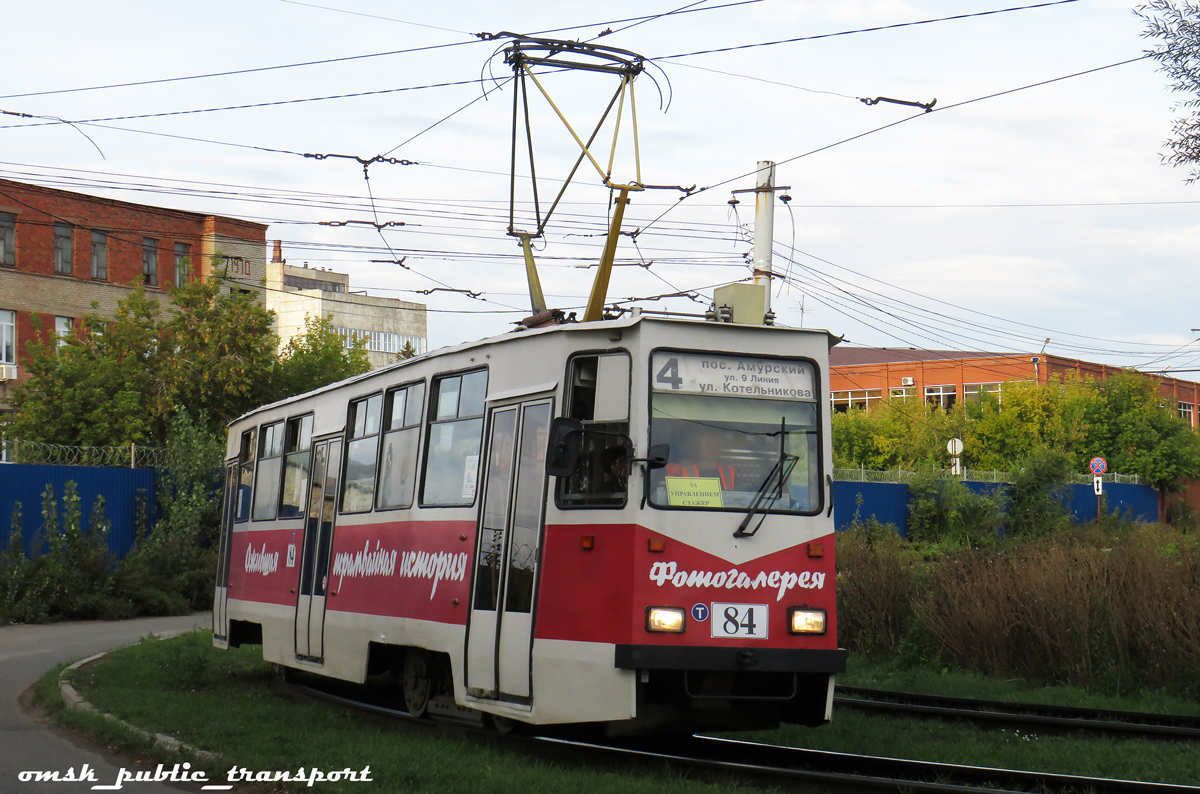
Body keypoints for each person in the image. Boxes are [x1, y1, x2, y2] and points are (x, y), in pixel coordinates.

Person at [665, 434, 735, 490]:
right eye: (708, 445)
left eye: (716, 445)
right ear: (698, 450)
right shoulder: (684, 471)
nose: (713, 449)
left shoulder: (728, 471)